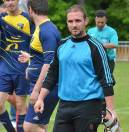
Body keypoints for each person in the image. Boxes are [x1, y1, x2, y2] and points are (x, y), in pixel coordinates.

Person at [34, 4, 117, 132]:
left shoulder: (96, 47)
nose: (74, 25)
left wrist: (111, 110)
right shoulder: (61, 45)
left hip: (89, 106)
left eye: (78, 21)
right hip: (64, 106)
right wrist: (40, 98)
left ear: (86, 21)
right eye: (70, 21)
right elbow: (52, 74)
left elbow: (106, 79)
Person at [0, 0, 34, 131]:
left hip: (22, 68)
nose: (10, 2)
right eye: (7, 0)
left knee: (21, 106)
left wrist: (30, 56)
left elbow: (35, 41)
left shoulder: (28, 18)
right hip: (4, 68)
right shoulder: (1, 18)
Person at [18, 0, 60, 131]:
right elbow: (42, 56)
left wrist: (37, 91)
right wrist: (30, 59)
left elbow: (49, 62)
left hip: (44, 87)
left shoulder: (47, 30)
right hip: (39, 84)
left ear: (30, 9)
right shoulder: (40, 28)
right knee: (41, 126)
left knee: (29, 127)